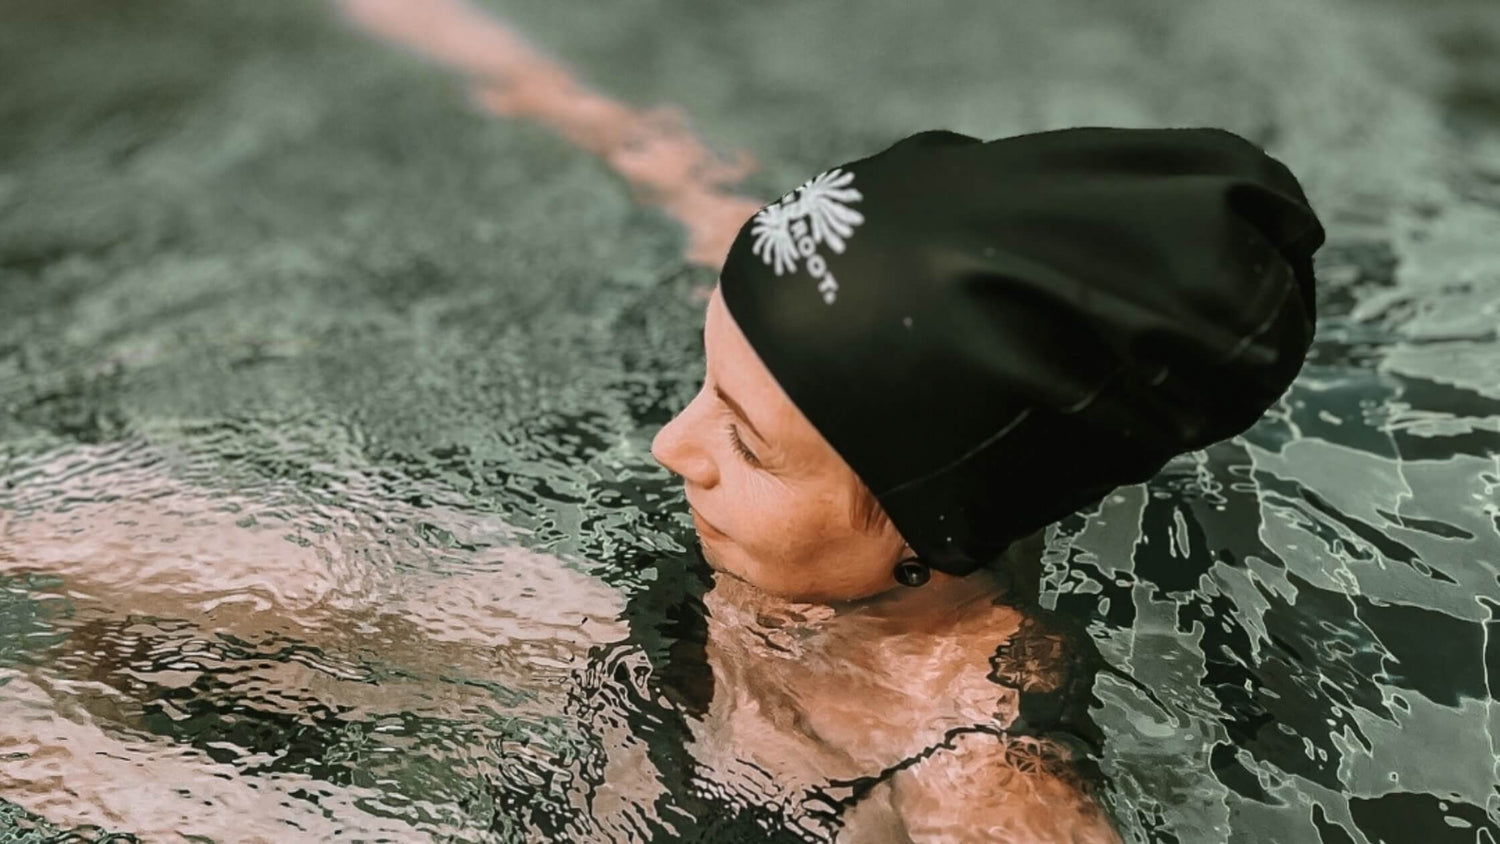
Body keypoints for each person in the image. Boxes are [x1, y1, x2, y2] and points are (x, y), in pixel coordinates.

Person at [650, 124, 1324, 840]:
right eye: (710, 380)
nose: (670, 445)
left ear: (928, 527)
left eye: (748, 446)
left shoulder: (974, 764)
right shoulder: (850, 518)